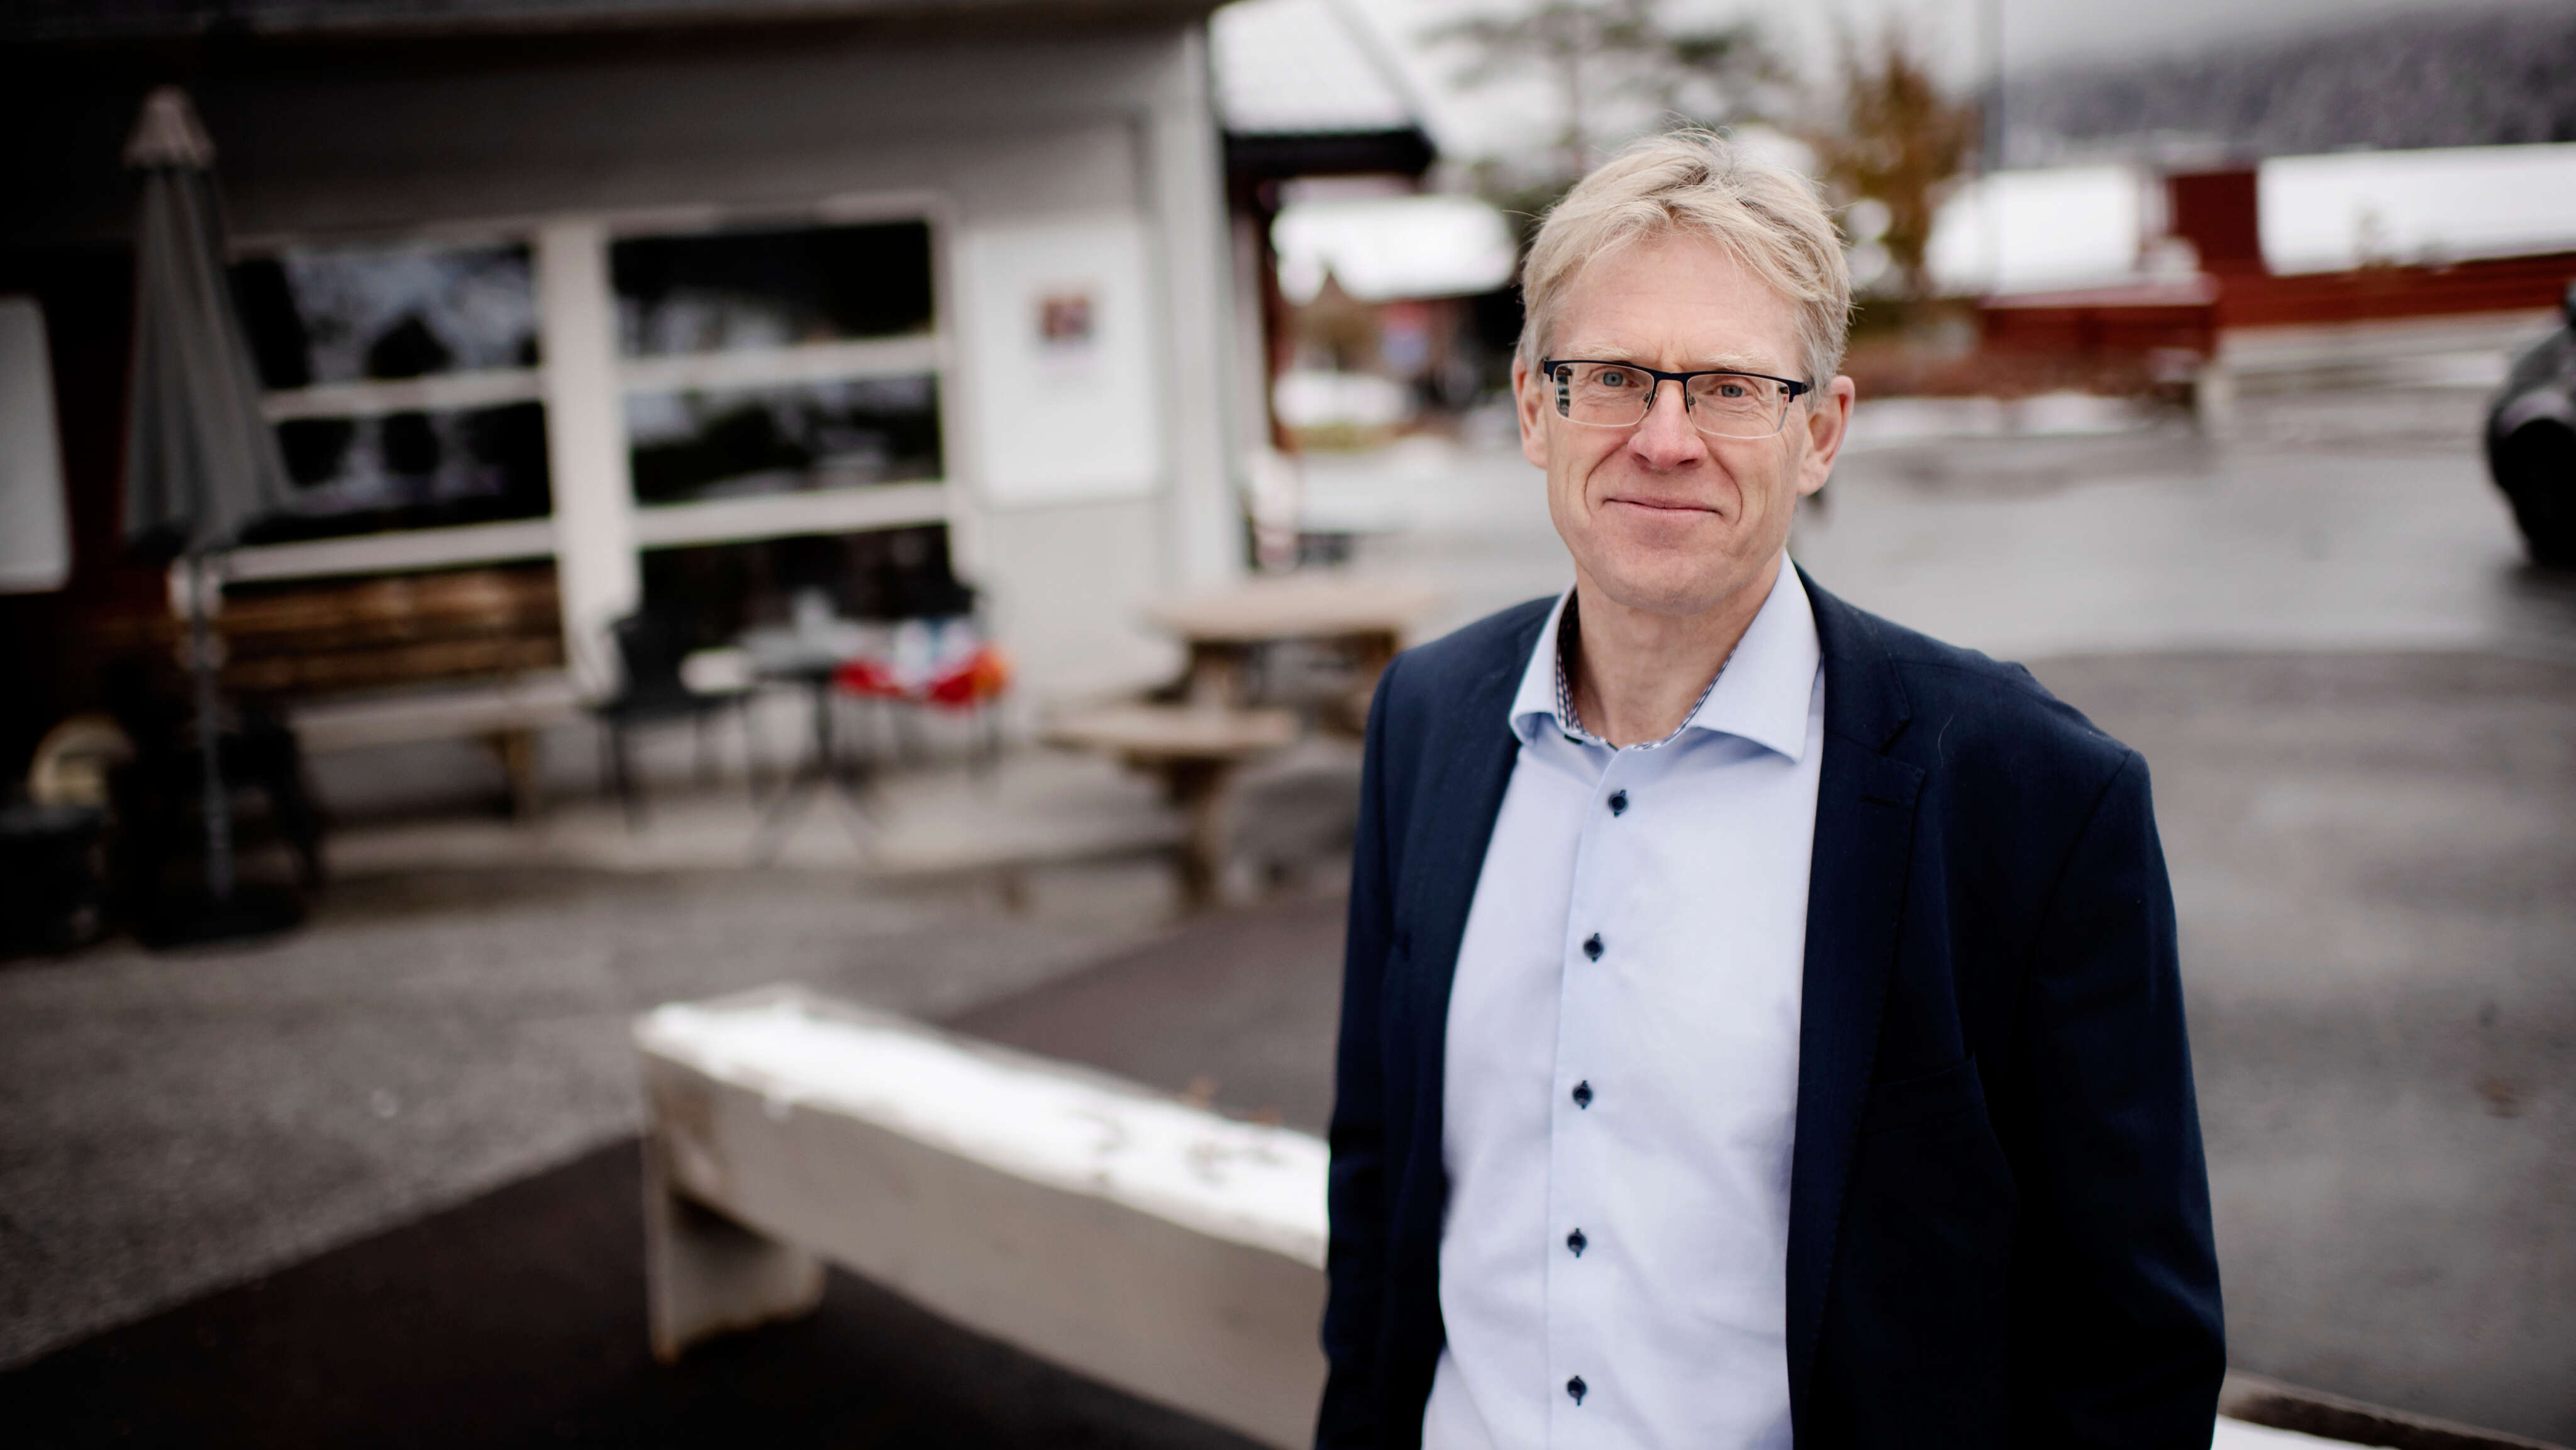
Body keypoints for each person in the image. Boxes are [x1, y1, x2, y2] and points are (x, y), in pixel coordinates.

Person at [1317, 131, 2224, 1450]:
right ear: (1531, 407)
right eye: (1611, 377)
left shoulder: (2030, 803)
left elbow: (2132, 1350)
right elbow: (1378, 1173)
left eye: (1732, 387)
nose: (1664, 439)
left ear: (1820, 431)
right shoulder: (1426, 720)